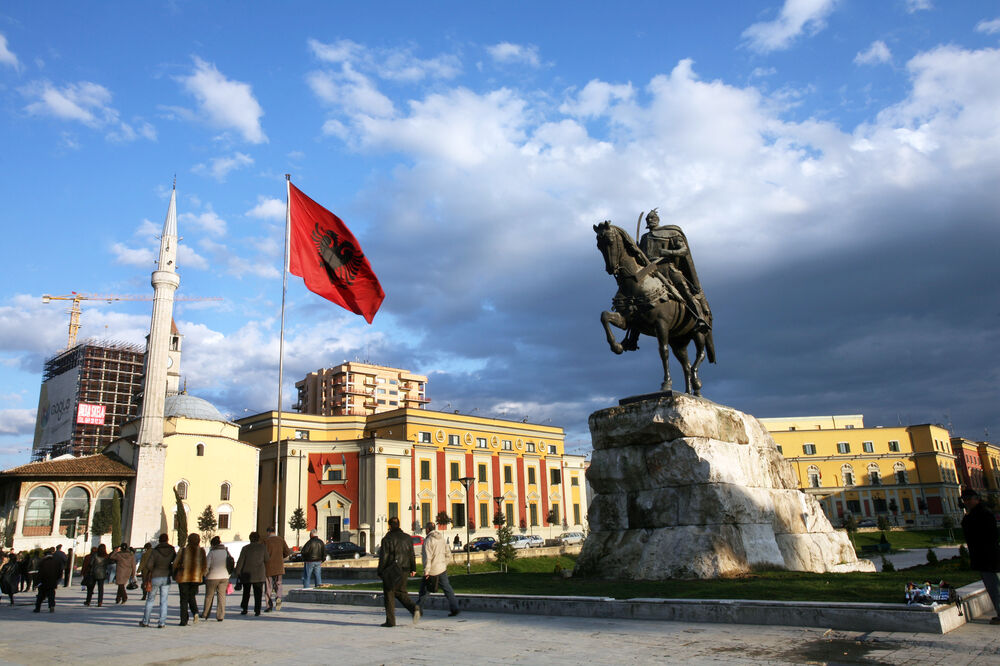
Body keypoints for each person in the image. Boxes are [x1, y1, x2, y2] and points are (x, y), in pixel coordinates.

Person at [960, 489, 1000, 624]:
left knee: (994, 586)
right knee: (993, 585)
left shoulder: (981, 515)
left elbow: (987, 536)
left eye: (968, 499)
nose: (966, 502)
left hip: (987, 556)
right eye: (964, 500)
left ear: (976, 499)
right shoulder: (981, 513)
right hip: (987, 556)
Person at [376, 516, 419, 627]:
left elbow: (384, 556)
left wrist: (380, 571)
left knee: (389, 593)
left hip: (391, 569)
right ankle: (414, 609)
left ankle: (390, 621)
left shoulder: (387, 539)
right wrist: (413, 568)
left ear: (389, 526)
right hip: (405, 569)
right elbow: (411, 554)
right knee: (401, 592)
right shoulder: (407, 538)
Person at [416, 522, 460, 617]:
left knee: (424, 591)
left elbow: (428, 558)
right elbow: (448, 553)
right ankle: (455, 608)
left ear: (427, 529)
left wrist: (426, 571)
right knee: (448, 589)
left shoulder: (428, 541)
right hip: (441, 568)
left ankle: (418, 610)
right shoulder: (441, 538)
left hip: (432, 570)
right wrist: (444, 564)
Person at [139, 534, 176, 628]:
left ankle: (146, 621)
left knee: (150, 599)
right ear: (167, 540)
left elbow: (149, 565)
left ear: (159, 540)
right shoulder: (172, 550)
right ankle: (162, 622)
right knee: (164, 600)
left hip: (155, 576)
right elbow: (175, 562)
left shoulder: (155, 551)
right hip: (166, 576)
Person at [173, 533, 207, 626]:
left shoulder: (183, 551)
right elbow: (205, 566)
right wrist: (201, 574)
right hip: (195, 578)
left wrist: (175, 571)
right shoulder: (201, 551)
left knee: (183, 599)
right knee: (191, 596)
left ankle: (183, 620)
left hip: (183, 577)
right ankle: (195, 612)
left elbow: (175, 563)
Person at [235, 531, 268, 616]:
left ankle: (244, 608)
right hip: (259, 574)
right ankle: (257, 610)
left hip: (246, 574)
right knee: (258, 593)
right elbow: (267, 559)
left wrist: (238, 572)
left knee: (246, 593)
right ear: (258, 538)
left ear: (250, 539)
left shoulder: (245, 548)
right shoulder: (263, 548)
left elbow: (240, 561)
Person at [202, 536, 232, 622]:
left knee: (209, 596)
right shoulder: (225, 551)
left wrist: (204, 575)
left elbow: (207, 566)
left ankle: (206, 613)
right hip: (224, 577)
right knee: (222, 596)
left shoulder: (212, 553)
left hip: (212, 577)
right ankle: (220, 615)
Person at [262, 526, 290, 612]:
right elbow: (287, 552)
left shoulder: (265, 541)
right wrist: (281, 557)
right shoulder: (281, 540)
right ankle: (278, 597)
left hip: (268, 567)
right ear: (274, 531)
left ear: (268, 532)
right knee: (279, 584)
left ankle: (268, 606)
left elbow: (262, 554)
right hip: (279, 566)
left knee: (268, 586)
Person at [32, 549, 62, 613]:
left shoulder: (42, 562)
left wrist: (37, 582)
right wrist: (57, 579)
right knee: (51, 595)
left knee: (40, 595)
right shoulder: (56, 561)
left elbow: (40, 573)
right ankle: (51, 606)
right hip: (52, 581)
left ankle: (37, 608)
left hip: (43, 581)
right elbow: (60, 572)